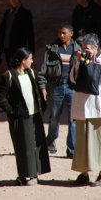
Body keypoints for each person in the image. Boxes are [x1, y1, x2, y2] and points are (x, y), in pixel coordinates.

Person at [0, 48, 50, 186]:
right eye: (30, 58)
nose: (32, 61)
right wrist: (13, 112)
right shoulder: (8, 75)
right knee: (24, 147)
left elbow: (40, 85)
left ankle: (36, 173)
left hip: (35, 115)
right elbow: (1, 98)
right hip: (21, 118)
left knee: (37, 144)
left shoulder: (31, 72)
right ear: (23, 60)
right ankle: (27, 175)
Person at [69, 33, 101, 187]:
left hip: (99, 105)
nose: (84, 51)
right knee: (82, 139)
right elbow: (73, 79)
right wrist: (80, 61)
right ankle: (84, 173)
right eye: (83, 48)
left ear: (96, 48)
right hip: (83, 104)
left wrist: (92, 60)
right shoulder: (81, 58)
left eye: (87, 48)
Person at [38, 23, 81, 158]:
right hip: (56, 87)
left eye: (64, 33)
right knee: (54, 118)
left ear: (71, 34)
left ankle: (72, 149)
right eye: (59, 33)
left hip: (72, 88)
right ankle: (50, 143)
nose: (61, 35)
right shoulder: (52, 50)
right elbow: (42, 71)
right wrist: (43, 87)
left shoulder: (78, 49)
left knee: (73, 119)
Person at [0, 0, 35, 67]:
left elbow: (30, 33)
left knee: (18, 70)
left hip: (19, 48)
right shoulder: (7, 13)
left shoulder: (25, 13)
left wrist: (31, 51)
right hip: (6, 47)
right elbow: (2, 30)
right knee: (10, 69)